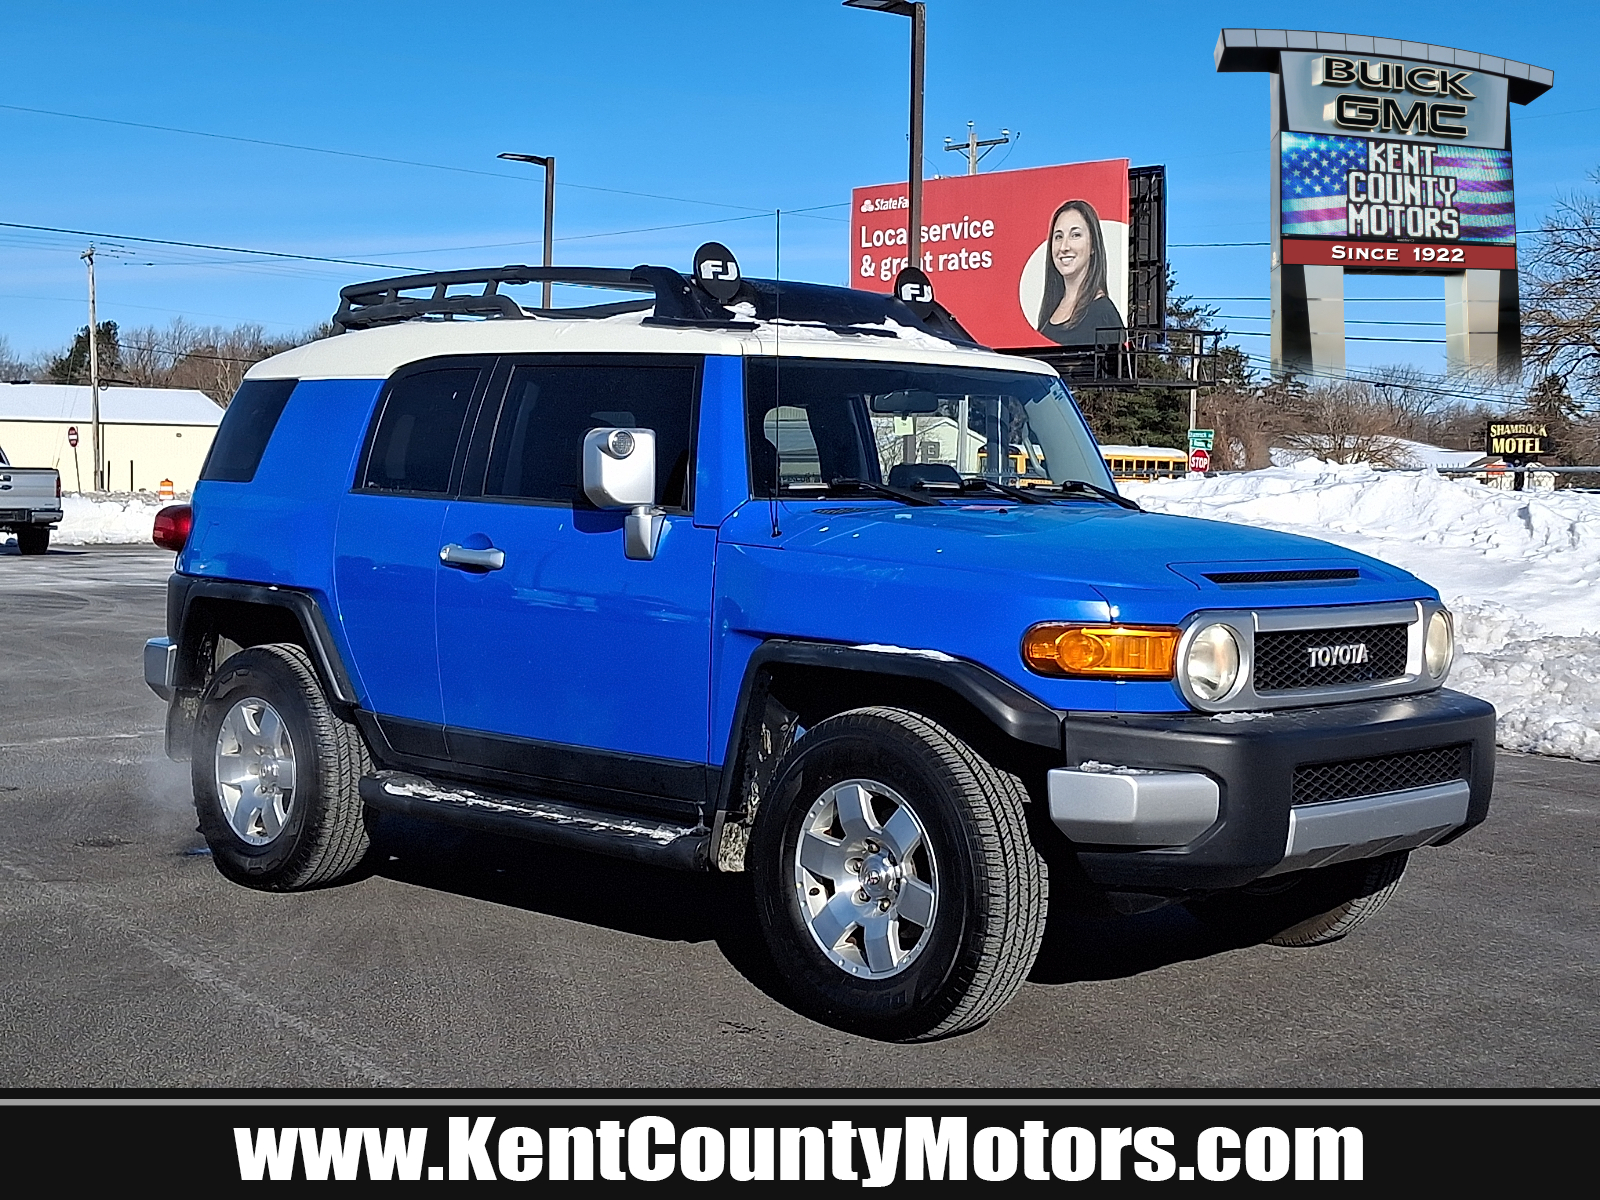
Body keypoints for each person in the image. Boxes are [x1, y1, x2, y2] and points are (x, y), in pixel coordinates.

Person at [1035, 199, 1125, 348]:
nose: (1064, 247)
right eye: (1058, 237)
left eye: (1075, 235)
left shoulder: (1104, 314)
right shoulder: (1050, 309)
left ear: (1093, 246)